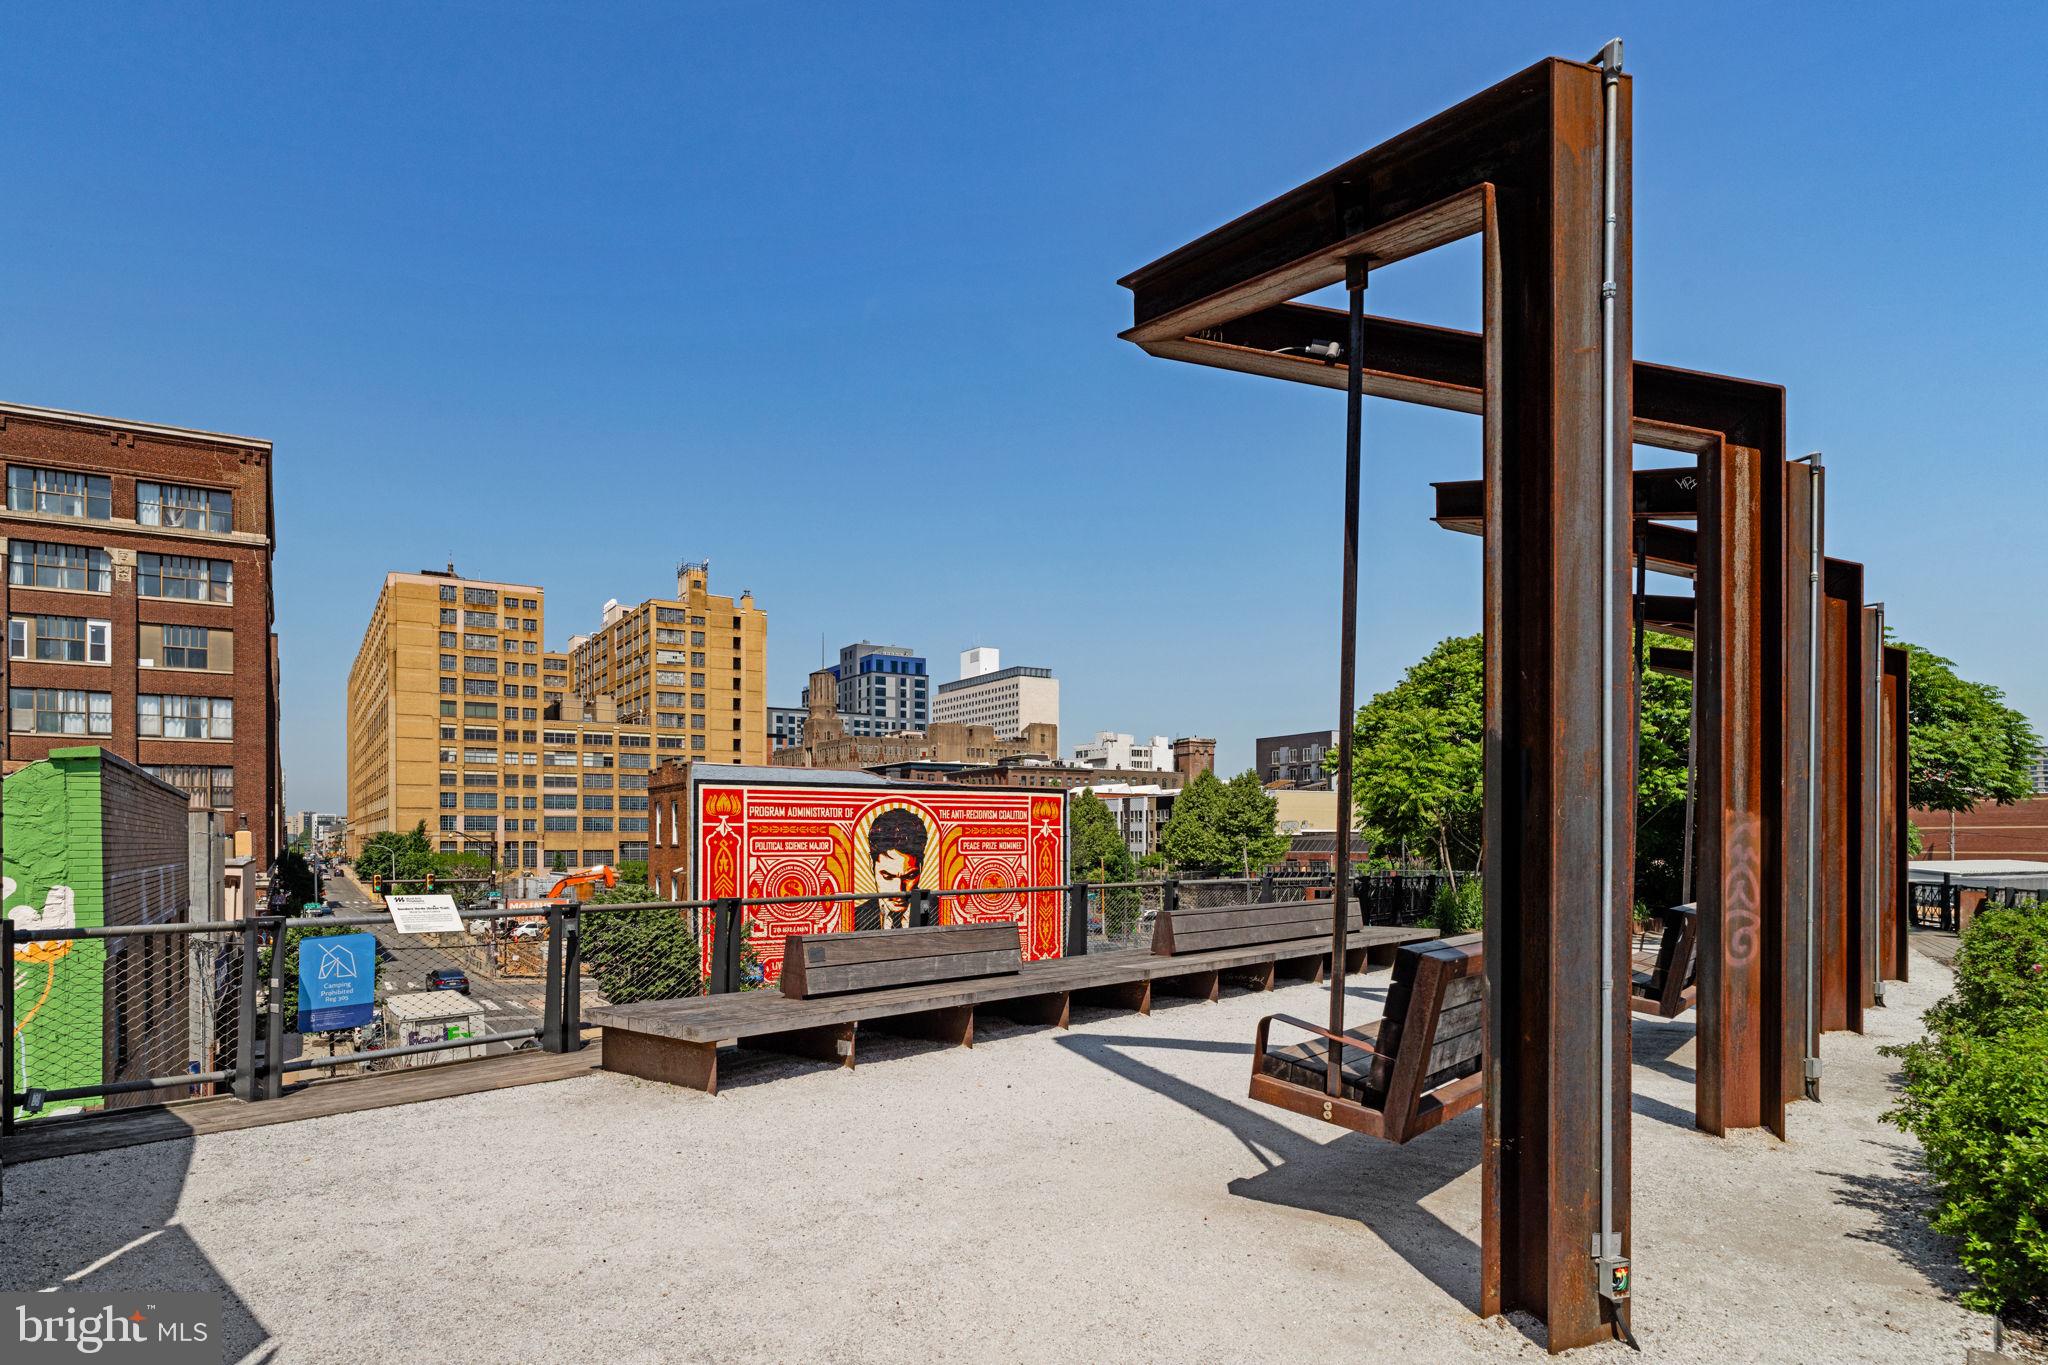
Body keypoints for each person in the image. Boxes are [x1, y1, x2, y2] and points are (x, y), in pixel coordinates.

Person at [854, 807, 929, 931]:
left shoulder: (936, 909)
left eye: (909, 876)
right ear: (871, 865)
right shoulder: (857, 917)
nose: (899, 890)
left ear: (921, 866)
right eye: (888, 876)